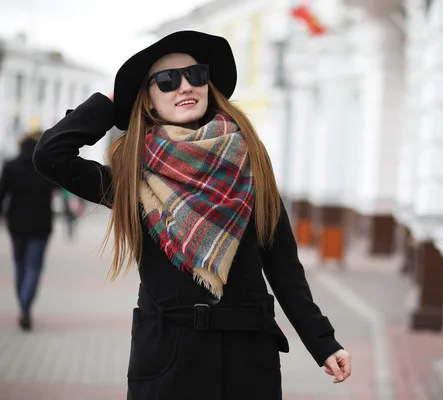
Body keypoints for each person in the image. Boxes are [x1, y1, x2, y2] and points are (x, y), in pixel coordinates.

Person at [33, 30, 351, 399]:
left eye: (195, 74)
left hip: (248, 359)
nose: (184, 86)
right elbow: (50, 155)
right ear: (148, 99)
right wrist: (112, 99)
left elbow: (282, 265)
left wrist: (323, 342)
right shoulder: (133, 181)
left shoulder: (250, 164)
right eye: (166, 81)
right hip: (168, 361)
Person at [0, 132, 56, 331]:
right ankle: (25, 305)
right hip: (41, 225)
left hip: (16, 225)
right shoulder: (44, 168)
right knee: (34, 267)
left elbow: (2, 194)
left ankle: (23, 306)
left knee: (20, 266)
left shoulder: (11, 166)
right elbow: (57, 186)